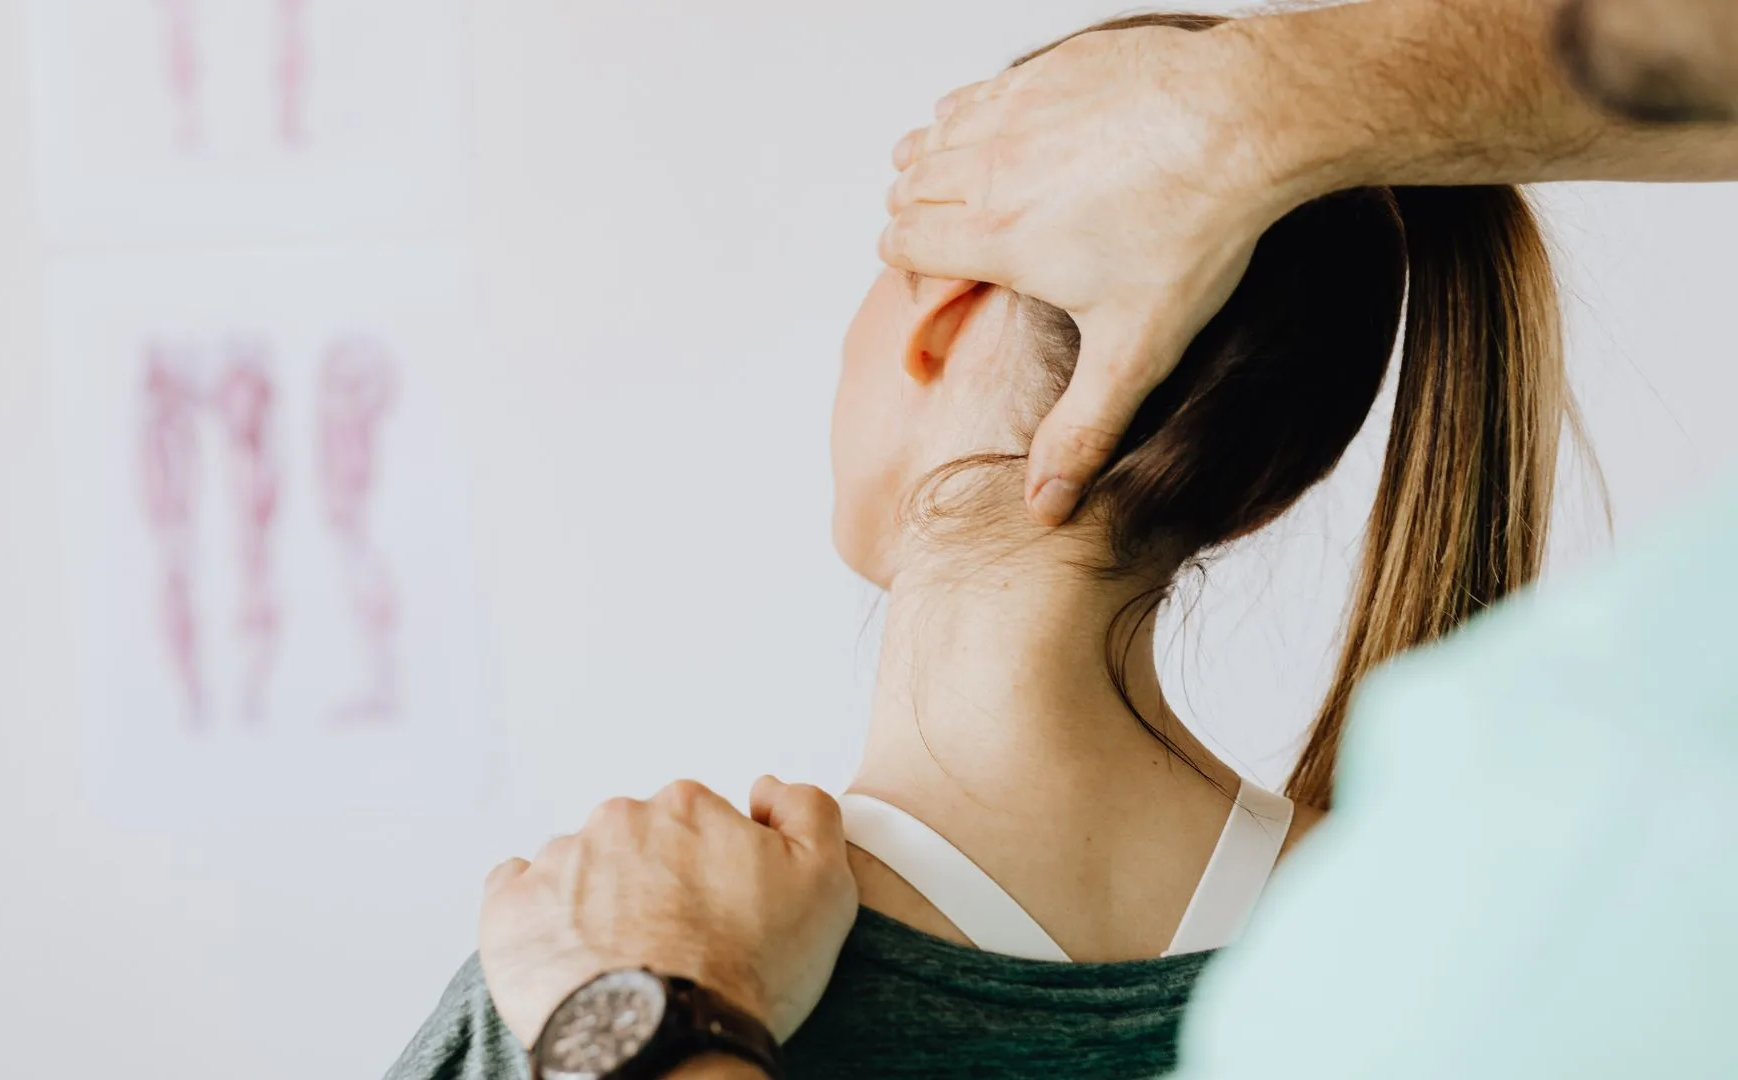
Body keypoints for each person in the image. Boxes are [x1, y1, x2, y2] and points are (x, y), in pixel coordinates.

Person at [422, 0, 1738, 1078]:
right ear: (1259, 476)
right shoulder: (1521, 941)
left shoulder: (585, 984)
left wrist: (635, 1019)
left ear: (937, 321)